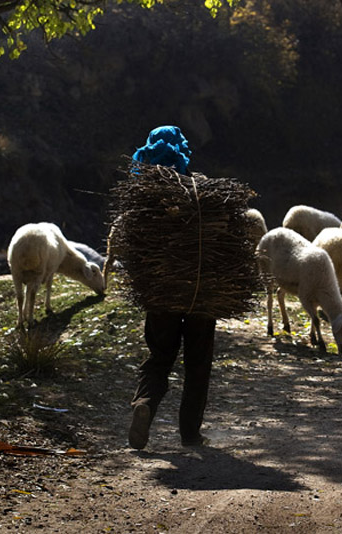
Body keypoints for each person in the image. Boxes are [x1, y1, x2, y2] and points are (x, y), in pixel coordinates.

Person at [127, 125, 216, 450]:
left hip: (161, 292)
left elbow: (133, 246)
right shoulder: (202, 189)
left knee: (159, 356)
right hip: (200, 292)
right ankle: (190, 435)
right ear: (182, 150)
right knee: (198, 361)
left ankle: (144, 404)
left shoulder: (141, 197)